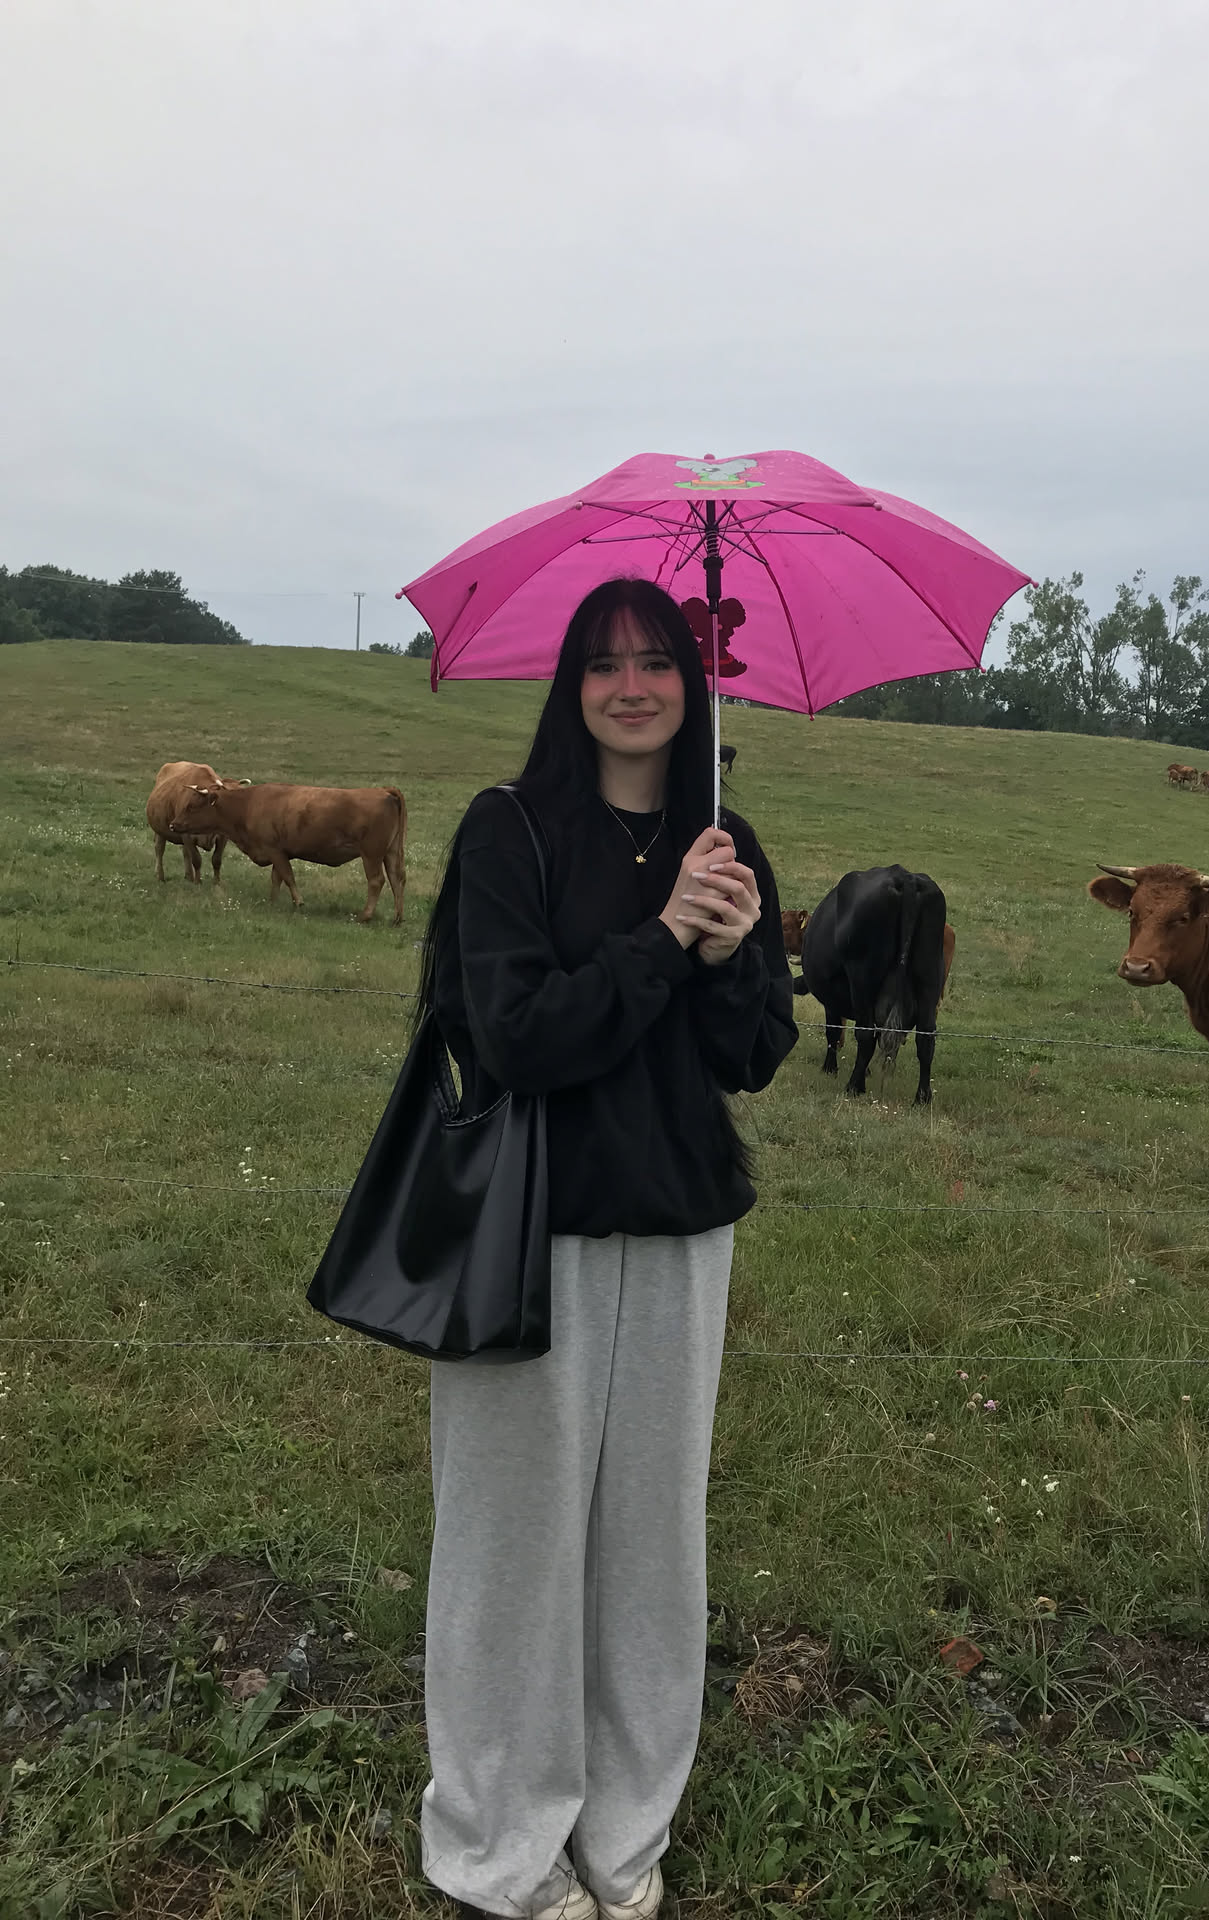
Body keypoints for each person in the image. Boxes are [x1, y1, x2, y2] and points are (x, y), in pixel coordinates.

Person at [413, 578, 797, 1919]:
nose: (632, 687)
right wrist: (666, 939)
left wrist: (735, 957)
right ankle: (498, 1849)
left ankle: (626, 1834)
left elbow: (754, 1056)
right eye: (605, 663)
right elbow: (519, 1037)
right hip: (533, 1235)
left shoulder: (724, 841)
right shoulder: (509, 830)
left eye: (657, 662)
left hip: (681, 1237)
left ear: (694, 684)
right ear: (570, 684)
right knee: (513, 1548)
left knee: (651, 1551)